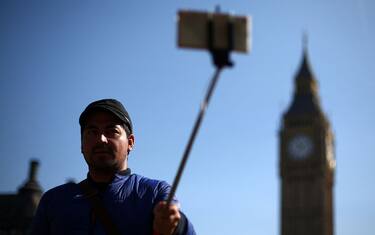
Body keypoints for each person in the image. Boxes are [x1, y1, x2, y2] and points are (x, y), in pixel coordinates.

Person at [30, 98, 196, 235]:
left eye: (111, 131)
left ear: (130, 143)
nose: (101, 139)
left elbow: (179, 226)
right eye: (92, 132)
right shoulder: (53, 201)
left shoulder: (155, 192)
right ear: (82, 144)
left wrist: (175, 226)